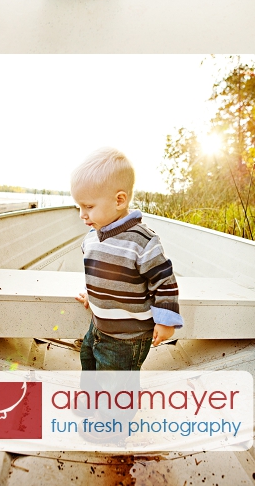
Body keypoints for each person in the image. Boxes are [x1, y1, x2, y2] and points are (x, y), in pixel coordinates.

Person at [71, 147, 183, 370]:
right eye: (79, 207)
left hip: (128, 338)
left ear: (119, 200)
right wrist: (92, 295)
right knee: (89, 364)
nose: (82, 214)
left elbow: (165, 283)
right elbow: (98, 270)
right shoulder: (92, 237)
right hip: (98, 327)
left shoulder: (142, 242)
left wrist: (165, 320)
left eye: (88, 206)